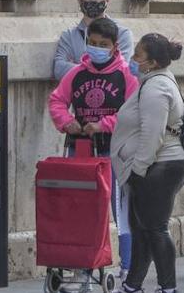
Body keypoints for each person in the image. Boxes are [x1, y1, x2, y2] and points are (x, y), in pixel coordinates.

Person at [48, 16, 138, 274]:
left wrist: (104, 124)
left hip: (115, 149)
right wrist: (66, 122)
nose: (97, 48)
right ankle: (85, 261)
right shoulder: (76, 74)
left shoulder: (125, 75)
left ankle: (128, 264)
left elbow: (132, 110)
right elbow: (56, 101)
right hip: (82, 148)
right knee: (83, 205)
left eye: (103, 44)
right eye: (93, 42)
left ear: (114, 47)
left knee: (121, 209)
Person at [112, 34, 184, 293]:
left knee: (155, 228)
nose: (133, 59)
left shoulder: (156, 88)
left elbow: (152, 135)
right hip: (156, 166)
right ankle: (133, 284)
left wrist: (137, 169)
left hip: (158, 167)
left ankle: (168, 287)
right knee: (142, 229)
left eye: (138, 55)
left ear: (153, 62)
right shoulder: (156, 81)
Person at [53, 0, 135, 80]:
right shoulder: (68, 36)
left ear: (107, 0)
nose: (92, 0)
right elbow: (59, 70)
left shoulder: (122, 34)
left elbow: (120, 72)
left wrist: (78, 67)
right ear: (79, 0)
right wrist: (101, 69)